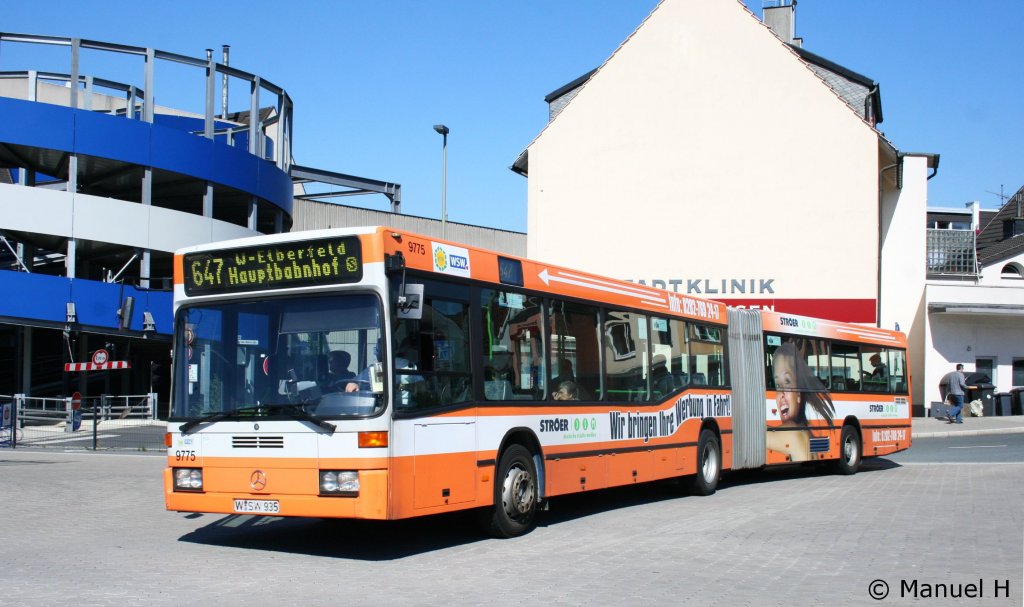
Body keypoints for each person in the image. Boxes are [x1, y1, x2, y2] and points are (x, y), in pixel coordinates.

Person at [767, 342, 835, 461]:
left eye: (787, 382)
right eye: (777, 385)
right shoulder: (804, 431)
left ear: (799, 393)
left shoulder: (792, 432)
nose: (781, 394)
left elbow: (754, 434)